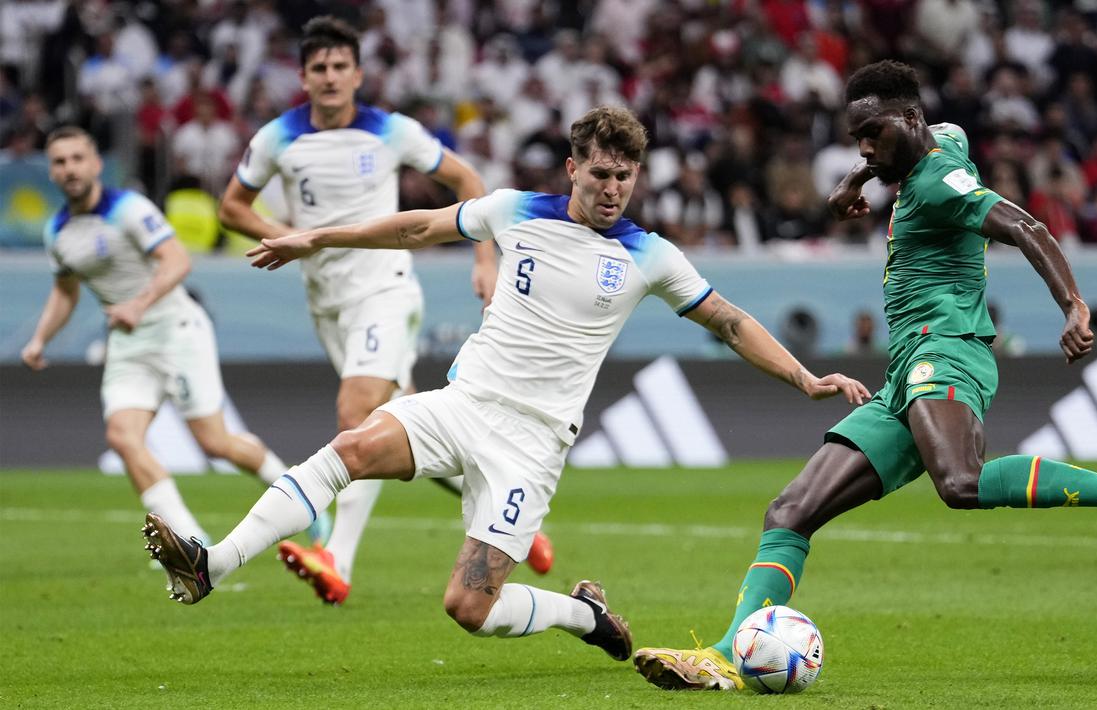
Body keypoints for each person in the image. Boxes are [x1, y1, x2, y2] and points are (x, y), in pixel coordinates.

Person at [141, 106, 870, 665]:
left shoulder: (649, 255)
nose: (612, 188)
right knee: (351, 447)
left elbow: (731, 322)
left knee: (468, 607)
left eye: (625, 176)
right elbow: (419, 227)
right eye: (600, 174)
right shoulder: (515, 210)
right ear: (572, 169)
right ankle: (213, 565)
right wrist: (317, 237)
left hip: (532, 444)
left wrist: (806, 378)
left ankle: (583, 615)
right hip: (463, 404)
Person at [632, 61, 1097, 691]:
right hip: (906, 370)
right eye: (857, 138)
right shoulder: (941, 142)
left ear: (909, 120)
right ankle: (724, 657)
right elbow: (943, 131)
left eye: (872, 135)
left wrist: (1073, 305)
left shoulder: (938, 183)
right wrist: (855, 179)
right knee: (789, 512)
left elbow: (1025, 226)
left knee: (960, 481)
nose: (864, 148)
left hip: (949, 350)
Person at [216, 16, 552, 605]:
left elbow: (466, 179)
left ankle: (336, 559)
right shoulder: (278, 137)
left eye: (340, 66)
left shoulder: (391, 131)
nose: (330, 77)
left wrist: (485, 259)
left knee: (358, 411)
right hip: (327, 301)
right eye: (319, 68)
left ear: (358, 74)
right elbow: (231, 208)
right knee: (406, 428)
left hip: (385, 290)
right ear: (303, 77)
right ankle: (510, 510)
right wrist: (287, 235)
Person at [22, 125, 298, 548]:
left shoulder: (129, 209)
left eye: (77, 158)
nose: (70, 168)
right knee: (122, 437)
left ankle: (298, 499)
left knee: (216, 443)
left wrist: (138, 303)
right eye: (60, 162)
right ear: (51, 172)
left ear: (95, 164)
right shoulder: (57, 231)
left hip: (176, 330)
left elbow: (177, 261)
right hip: (128, 342)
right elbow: (66, 290)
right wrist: (40, 339)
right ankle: (191, 540)